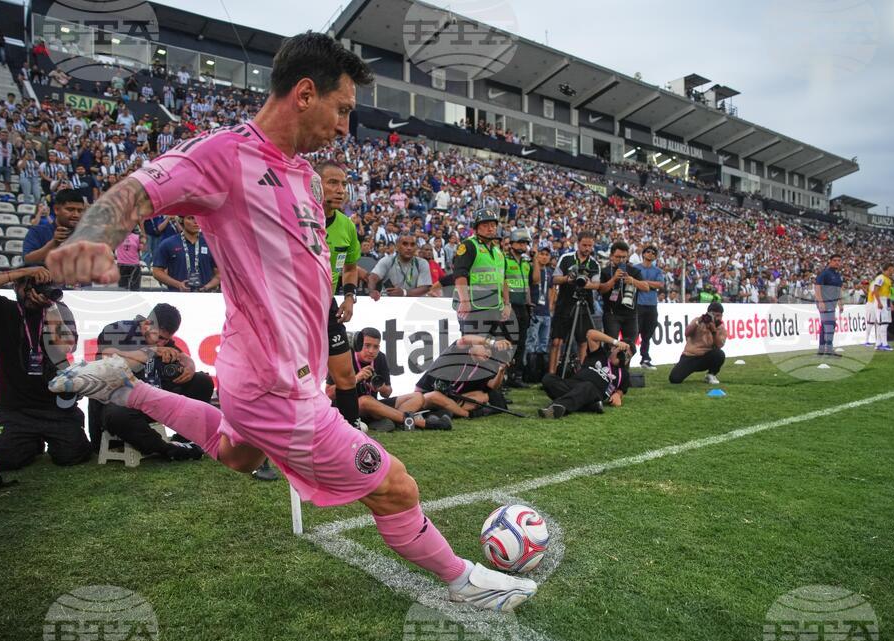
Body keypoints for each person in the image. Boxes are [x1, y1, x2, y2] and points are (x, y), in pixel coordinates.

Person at [45, 32, 536, 611]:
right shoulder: (224, 155)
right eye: (343, 109)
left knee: (238, 454)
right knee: (395, 486)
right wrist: (90, 236)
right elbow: (136, 191)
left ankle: (127, 388)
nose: (346, 127)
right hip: (272, 382)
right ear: (305, 94)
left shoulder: (303, 174)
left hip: (272, 370)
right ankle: (464, 584)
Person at [0, 266, 91, 470]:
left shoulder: (58, 310)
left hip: (55, 407)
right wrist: (23, 272)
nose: (37, 291)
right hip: (15, 409)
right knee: (6, 459)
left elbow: (65, 346)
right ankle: (30, 443)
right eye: (31, 284)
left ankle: (40, 439)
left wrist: (50, 308)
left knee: (73, 454)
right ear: (17, 286)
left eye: (43, 284)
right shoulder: (3, 308)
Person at [91, 306, 209, 461]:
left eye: (166, 339)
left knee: (202, 382)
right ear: (146, 324)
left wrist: (190, 365)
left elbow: (180, 355)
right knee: (117, 414)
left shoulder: (161, 340)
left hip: (150, 401)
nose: (162, 343)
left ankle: (184, 438)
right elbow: (108, 360)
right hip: (118, 402)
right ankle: (166, 449)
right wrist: (150, 352)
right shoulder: (117, 330)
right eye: (159, 337)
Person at [326, 327, 451, 432]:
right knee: (365, 400)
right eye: (367, 346)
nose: (371, 351)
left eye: (376, 347)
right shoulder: (343, 356)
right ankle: (424, 424)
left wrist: (382, 387)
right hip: (348, 408)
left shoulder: (380, 357)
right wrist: (356, 378)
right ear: (358, 344)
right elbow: (329, 393)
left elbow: (387, 393)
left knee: (418, 397)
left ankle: (392, 421)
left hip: (375, 407)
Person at [317, 160, 364, 430]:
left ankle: (353, 434)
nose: (340, 190)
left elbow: (349, 266)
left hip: (327, 305)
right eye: (332, 183)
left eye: (343, 184)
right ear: (315, 185)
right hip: (294, 307)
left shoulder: (346, 225)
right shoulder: (296, 218)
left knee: (345, 375)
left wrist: (348, 297)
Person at [452, 208, 514, 344]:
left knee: (493, 351)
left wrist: (507, 304)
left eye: (493, 225)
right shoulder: (468, 245)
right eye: (485, 225)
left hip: (494, 309)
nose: (490, 229)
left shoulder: (498, 251)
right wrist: (464, 301)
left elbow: (503, 279)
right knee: (473, 349)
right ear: (477, 228)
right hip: (474, 309)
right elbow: (459, 274)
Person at [538, 329, 632, 418]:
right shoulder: (599, 354)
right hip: (573, 384)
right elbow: (590, 334)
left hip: (593, 392)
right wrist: (616, 342)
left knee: (587, 386)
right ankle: (590, 407)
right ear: (613, 348)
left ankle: (555, 407)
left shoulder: (624, 374)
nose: (624, 358)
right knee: (548, 379)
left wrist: (618, 395)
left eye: (628, 356)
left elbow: (621, 390)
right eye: (622, 352)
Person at [415, 334, 510, 419]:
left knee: (482, 396)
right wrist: (492, 342)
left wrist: (501, 371)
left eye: (490, 351)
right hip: (425, 395)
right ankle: (467, 414)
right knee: (435, 396)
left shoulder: (484, 367)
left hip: (450, 398)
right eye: (486, 348)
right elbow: (464, 339)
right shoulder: (458, 352)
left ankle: (449, 411)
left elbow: (493, 385)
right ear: (472, 346)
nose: (488, 352)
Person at [549, 231, 600, 375]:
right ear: (578, 244)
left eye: (590, 246)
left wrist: (586, 284)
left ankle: (580, 375)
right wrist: (567, 279)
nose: (587, 248)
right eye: (584, 245)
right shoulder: (566, 258)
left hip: (584, 305)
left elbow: (597, 285)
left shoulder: (594, 263)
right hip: (564, 304)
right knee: (557, 341)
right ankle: (551, 375)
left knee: (583, 342)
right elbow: (555, 279)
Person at [597, 240, 649, 364]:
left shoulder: (634, 271)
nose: (621, 260)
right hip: (611, 314)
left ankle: (624, 372)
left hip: (631, 314)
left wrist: (632, 281)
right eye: (618, 257)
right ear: (611, 256)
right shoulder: (605, 271)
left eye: (624, 257)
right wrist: (614, 279)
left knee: (629, 347)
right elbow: (601, 290)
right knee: (611, 345)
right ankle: (608, 372)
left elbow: (646, 287)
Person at [152, 215, 220, 292]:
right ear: (181, 220)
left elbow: (219, 274)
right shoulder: (168, 243)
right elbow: (157, 272)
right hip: (177, 296)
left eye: (199, 218)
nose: (196, 222)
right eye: (191, 218)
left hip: (205, 296)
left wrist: (206, 287)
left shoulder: (211, 244)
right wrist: (177, 284)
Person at [668, 302, 728, 385]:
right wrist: (698, 321)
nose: (716, 318)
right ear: (708, 314)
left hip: (706, 357)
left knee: (719, 354)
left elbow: (719, 345)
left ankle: (711, 374)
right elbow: (687, 333)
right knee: (674, 379)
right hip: (690, 356)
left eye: (718, 315)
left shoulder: (721, 328)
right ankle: (681, 367)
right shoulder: (698, 321)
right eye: (713, 315)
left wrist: (713, 330)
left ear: (722, 316)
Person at [22, 189, 85, 265]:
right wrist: (53, 243)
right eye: (70, 209)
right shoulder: (38, 231)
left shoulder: (86, 235)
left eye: (80, 211)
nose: (76, 215)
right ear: (56, 210)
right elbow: (28, 260)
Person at [503, 228, 532, 387]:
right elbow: (503, 283)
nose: (523, 246)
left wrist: (529, 303)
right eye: (520, 242)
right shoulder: (505, 260)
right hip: (510, 305)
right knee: (509, 341)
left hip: (523, 307)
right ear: (512, 243)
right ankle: (505, 376)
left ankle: (516, 376)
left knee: (521, 342)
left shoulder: (526, 263)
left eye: (525, 243)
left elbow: (527, 284)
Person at [367, 234, 431, 297]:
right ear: (397, 247)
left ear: (416, 247)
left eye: (412, 245)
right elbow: (373, 277)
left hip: (413, 303)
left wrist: (404, 293)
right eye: (405, 244)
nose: (409, 248)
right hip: (389, 301)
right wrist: (372, 291)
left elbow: (425, 288)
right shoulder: (387, 260)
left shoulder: (422, 263)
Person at [524, 245, 552, 383]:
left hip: (546, 312)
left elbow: (552, 289)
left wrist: (551, 306)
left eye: (547, 254)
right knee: (531, 343)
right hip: (535, 312)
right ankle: (529, 374)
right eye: (542, 254)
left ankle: (540, 374)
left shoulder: (549, 272)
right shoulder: (530, 268)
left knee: (543, 344)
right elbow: (532, 283)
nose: (544, 257)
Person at [634, 245, 664, 370]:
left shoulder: (657, 271)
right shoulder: (635, 268)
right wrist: (650, 284)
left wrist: (643, 283)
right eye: (648, 252)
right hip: (638, 305)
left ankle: (645, 359)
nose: (650, 254)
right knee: (634, 332)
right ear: (643, 254)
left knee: (647, 334)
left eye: (653, 253)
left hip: (652, 305)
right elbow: (632, 282)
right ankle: (627, 357)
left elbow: (660, 284)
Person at [814, 253, 844, 356]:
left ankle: (822, 349)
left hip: (832, 303)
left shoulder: (837, 275)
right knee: (830, 325)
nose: (837, 262)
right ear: (830, 261)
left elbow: (839, 289)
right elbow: (817, 287)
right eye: (835, 260)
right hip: (825, 303)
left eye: (839, 260)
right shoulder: (825, 273)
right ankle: (829, 349)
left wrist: (840, 302)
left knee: (825, 326)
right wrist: (821, 301)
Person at [865, 263, 894, 351]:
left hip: (886, 301)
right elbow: (876, 290)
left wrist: (891, 304)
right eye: (890, 270)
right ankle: (884, 344)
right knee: (883, 323)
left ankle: (878, 343)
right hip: (881, 301)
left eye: (892, 270)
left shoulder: (888, 280)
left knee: (885, 323)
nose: (892, 272)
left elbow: (888, 294)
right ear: (886, 270)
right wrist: (879, 302)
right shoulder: (880, 278)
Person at [115, 226, 145, 291]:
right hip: (123, 265)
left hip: (133, 266)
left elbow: (142, 249)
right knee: (122, 290)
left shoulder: (137, 237)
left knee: (135, 289)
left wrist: (143, 240)